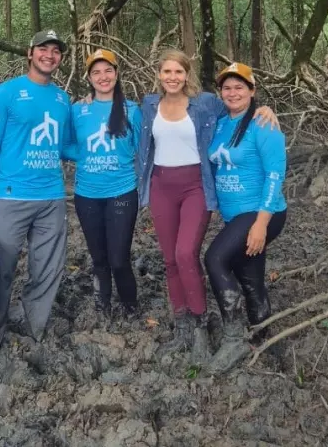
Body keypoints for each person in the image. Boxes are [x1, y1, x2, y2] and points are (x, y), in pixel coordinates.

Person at [137, 50, 278, 364]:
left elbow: (239, 105)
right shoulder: (148, 105)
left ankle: (200, 326)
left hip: (195, 186)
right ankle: (182, 327)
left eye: (178, 71)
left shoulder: (205, 103)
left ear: (187, 74)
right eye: (166, 71)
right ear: (159, 74)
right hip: (161, 186)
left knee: (186, 253)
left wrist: (264, 108)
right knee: (170, 260)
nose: (172, 77)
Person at [0, 29, 72, 360]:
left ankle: (33, 324)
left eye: (56, 51)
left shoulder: (62, 100)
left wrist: (107, 147)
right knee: (0, 269)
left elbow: (65, 147)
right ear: (30, 53)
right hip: (12, 197)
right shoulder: (6, 93)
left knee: (47, 269)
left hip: (52, 198)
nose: (49, 55)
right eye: (43, 48)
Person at [203, 62, 287, 374]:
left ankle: (233, 337)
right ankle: (264, 336)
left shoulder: (263, 124)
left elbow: (275, 174)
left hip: (261, 212)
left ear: (252, 91)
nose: (233, 92)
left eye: (239, 87)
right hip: (234, 215)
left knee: (215, 259)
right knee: (250, 278)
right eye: (227, 87)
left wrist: (261, 224)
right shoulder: (220, 123)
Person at [70, 49, 142, 322]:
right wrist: (83, 155)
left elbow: (143, 148)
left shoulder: (132, 110)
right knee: (98, 258)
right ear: (89, 78)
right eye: (96, 72)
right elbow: (64, 144)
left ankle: (130, 306)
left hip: (122, 191)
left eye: (108, 70)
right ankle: (103, 306)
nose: (103, 77)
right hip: (86, 194)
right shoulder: (78, 110)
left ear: (117, 73)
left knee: (119, 258)